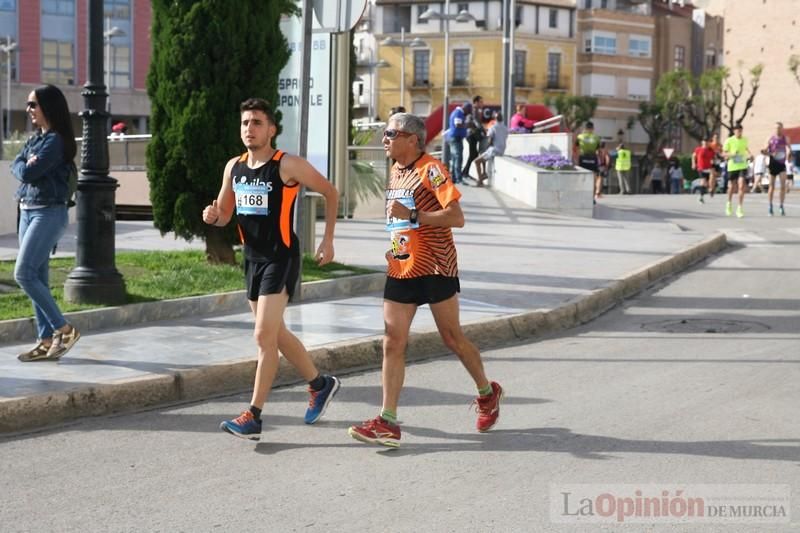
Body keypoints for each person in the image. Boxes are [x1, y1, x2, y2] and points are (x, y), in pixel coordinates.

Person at [348, 113, 503, 448]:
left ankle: (487, 393)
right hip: (401, 266)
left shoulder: (431, 169)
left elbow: (456, 217)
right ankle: (387, 420)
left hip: (435, 266)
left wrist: (414, 216)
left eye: (391, 133)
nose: (384, 139)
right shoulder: (395, 170)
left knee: (452, 338)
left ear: (412, 139)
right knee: (392, 341)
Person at [203, 98, 341, 441]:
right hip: (252, 258)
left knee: (263, 336)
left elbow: (330, 191)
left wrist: (327, 240)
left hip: (281, 257)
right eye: (245, 123)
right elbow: (224, 211)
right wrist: (213, 216)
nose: (249, 129)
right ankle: (320, 385)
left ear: (271, 130)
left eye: (257, 123)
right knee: (275, 333)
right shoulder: (233, 167)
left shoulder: (287, 165)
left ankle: (254, 415)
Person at [12, 85, 81, 362]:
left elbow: (28, 171)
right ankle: (44, 341)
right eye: (28, 105)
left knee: (23, 274)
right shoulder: (37, 140)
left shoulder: (55, 142)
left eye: (33, 105)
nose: (28, 110)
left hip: (48, 213)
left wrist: (24, 164)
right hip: (27, 212)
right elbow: (19, 163)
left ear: (48, 107)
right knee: (37, 277)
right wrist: (23, 163)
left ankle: (64, 329)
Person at [723, 124, 753, 218]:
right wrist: (732, 154)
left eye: (741, 131)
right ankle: (729, 203)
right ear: (734, 131)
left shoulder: (745, 140)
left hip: (742, 166)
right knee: (732, 187)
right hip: (732, 167)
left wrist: (750, 154)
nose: (739, 132)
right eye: (738, 131)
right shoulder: (729, 140)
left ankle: (739, 208)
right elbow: (724, 153)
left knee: (741, 186)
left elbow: (747, 149)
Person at [474, 111, 508, 187]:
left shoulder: (493, 127)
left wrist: (487, 146)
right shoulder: (505, 128)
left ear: (495, 119)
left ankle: (480, 180)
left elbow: (490, 139)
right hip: (502, 150)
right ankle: (484, 174)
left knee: (476, 161)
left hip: (494, 150)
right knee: (483, 157)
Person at [765, 122, 791, 216]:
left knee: (783, 186)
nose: (778, 129)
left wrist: (789, 153)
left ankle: (781, 205)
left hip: (781, 165)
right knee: (771, 186)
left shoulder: (786, 138)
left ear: (782, 128)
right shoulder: (770, 138)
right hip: (772, 164)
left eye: (779, 128)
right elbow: (765, 151)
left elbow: (789, 149)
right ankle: (770, 206)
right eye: (776, 128)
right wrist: (769, 153)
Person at [444, 101, 472, 184]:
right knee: (458, 158)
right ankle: (458, 178)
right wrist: (467, 124)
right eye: (469, 111)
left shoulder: (457, 112)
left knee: (454, 158)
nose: (468, 113)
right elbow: (458, 124)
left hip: (455, 138)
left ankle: (454, 178)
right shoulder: (458, 113)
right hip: (456, 138)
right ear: (466, 108)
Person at [462, 95, 485, 181]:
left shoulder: (476, 110)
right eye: (481, 102)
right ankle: (465, 172)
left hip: (472, 134)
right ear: (476, 102)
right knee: (473, 154)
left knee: (474, 154)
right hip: (471, 134)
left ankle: (465, 172)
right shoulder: (474, 110)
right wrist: (483, 130)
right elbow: (476, 122)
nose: (482, 104)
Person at [576, 122, 601, 201]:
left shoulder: (580, 137)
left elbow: (576, 148)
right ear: (592, 129)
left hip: (583, 158)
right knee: (593, 179)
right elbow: (598, 150)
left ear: (585, 128)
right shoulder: (596, 137)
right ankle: (592, 198)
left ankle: (581, 196)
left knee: (581, 178)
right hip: (593, 159)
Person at [691, 138, 715, 203]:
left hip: (708, 168)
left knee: (712, 177)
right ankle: (701, 197)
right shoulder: (698, 149)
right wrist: (693, 163)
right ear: (702, 143)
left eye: (707, 142)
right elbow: (693, 156)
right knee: (703, 182)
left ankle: (711, 189)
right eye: (704, 142)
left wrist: (713, 162)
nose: (705, 144)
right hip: (701, 168)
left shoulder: (711, 150)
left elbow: (713, 159)